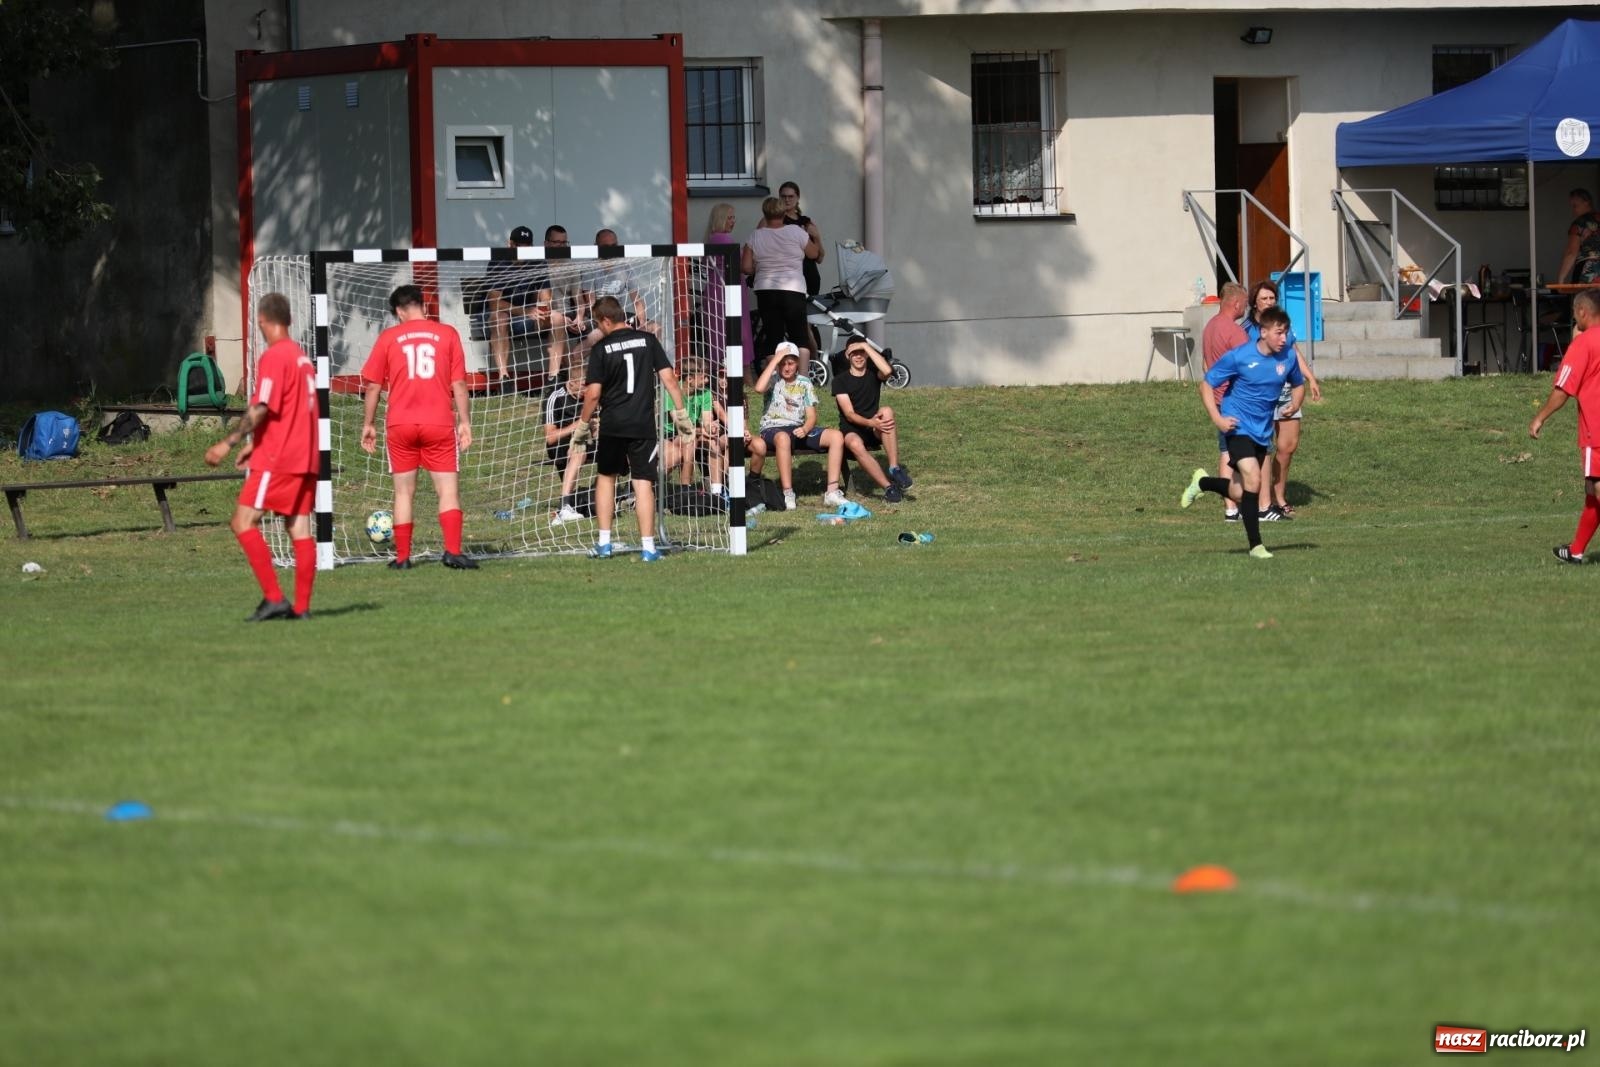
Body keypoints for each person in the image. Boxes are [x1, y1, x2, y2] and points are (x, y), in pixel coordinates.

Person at [204, 292, 319, 621]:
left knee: (242, 522)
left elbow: (261, 407)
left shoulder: (275, 356)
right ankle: (302, 608)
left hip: (279, 458)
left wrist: (228, 442)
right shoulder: (302, 359)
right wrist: (255, 444)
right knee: (298, 528)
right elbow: (292, 411)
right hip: (306, 456)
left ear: (262, 321)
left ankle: (274, 598)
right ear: (290, 320)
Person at [359, 284, 477, 570]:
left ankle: (402, 558)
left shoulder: (389, 337)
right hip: (438, 422)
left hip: (400, 423)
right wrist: (465, 422)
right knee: (447, 491)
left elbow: (373, 386)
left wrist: (368, 424)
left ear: (399, 311)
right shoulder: (447, 334)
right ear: (421, 305)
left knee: (403, 493)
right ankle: (452, 552)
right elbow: (459, 384)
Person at [571, 295, 694, 562]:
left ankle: (604, 544)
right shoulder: (648, 340)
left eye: (598, 323)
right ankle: (648, 548)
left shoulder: (601, 349)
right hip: (642, 425)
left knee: (606, 479)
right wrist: (681, 414)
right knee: (642, 482)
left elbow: (593, 394)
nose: (599, 328)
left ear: (606, 320)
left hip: (613, 425)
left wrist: (582, 424)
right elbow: (669, 379)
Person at [1181, 305, 1304, 560]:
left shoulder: (1288, 357)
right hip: (1237, 426)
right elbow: (1207, 384)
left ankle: (1202, 482)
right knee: (1254, 479)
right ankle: (1256, 545)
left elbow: (1298, 383)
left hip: (1262, 430)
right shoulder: (1240, 356)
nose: (1284, 338)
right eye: (1279, 333)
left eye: (1286, 332)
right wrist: (1217, 418)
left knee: (1240, 492)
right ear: (1263, 332)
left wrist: (1296, 403)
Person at [1529, 288, 1600, 564]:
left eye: (1574, 313)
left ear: (1582, 311)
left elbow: (1563, 390)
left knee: (1597, 488)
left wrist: (1540, 418)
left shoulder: (1583, 344)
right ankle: (1576, 550)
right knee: (1592, 493)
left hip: (1596, 431)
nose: (1574, 318)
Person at [1243, 279, 1322, 521]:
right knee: (1262, 447)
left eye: (1272, 298)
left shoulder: (1282, 325)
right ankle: (1262, 499)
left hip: (1287, 390)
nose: (1269, 302)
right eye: (1264, 298)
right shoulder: (1247, 329)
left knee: (1288, 446)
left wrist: (1310, 378)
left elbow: (1293, 353)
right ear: (1254, 303)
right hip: (1261, 392)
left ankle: (1280, 495)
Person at [746, 340, 848, 510]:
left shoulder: (804, 383)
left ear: (798, 363)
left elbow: (811, 416)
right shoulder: (772, 379)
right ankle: (788, 493)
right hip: (773, 428)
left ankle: (832, 491)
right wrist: (776, 359)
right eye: (782, 363)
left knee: (836, 436)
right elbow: (758, 388)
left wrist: (806, 428)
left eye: (791, 363)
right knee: (783, 438)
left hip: (798, 428)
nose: (787, 368)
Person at [832, 339, 912, 503]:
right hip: (852, 429)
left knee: (887, 411)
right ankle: (888, 487)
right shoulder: (840, 381)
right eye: (854, 353)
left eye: (862, 353)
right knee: (854, 442)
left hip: (874, 427)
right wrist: (871, 423)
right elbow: (849, 414)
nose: (858, 356)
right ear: (847, 355)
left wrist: (866, 346)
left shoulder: (873, 374)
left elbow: (887, 370)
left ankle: (894, 468)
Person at [743, 196, 819, 363]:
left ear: (765, 214)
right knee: (799, 337)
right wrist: (817, 237)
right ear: (784, 213)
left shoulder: (755, 236)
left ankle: (774, 375)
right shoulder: (796, 232)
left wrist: (760, 267)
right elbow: (814, 254)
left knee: (773, 337)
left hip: (766, 290)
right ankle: (803, 375)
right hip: (793, 289)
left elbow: (746, 267)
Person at [1201, 282, 1250, 522]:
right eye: (1245, 303)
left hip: (1218, 399)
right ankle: (1242, 503)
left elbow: (1205, 365)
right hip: (1234, 399)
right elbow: (1248, 366)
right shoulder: (1234, 331)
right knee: (1238, 455)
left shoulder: (1210, 326)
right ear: (1236, 303)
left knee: (1225, 452)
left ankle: (1230, 508)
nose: (1246, 308)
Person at [703, 203, 754, 373]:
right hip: (727, 291)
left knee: (718, 331)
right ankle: (743, 374)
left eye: (733, 218)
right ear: (721, 219)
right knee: (737, 331)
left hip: (716, 290)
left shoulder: (711, 238)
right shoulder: (723, 239)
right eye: (729, 217)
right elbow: (743, 266)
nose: (733, 221)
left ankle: (721, 371)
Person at [546, 360, 592, 526]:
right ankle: (565, 506)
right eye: (584, 385)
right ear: (571, 383)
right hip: (561, 445)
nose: (587, 389)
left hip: (589, 440)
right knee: (578, 450)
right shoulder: (556, 397)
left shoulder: (593, 395)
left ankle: (627, 495)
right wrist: (577, 426)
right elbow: (550, 437)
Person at [778, 181, 824, 298]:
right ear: (779, 198)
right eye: (783, 196)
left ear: (798, 198)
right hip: (787, 281)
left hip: (810, 278)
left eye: (791, 196)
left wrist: (817, 237)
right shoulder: (775, 221)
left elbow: (820, 258)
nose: (787, 200)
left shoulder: (806, 221)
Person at [1556, 189, 1600, 287]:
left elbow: (1571, 252)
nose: (1573, 210)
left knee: (1585, 296)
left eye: (1575, 206)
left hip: (1588, 270)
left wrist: (1561, 279)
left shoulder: (1580, 223)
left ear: (1586, 202)